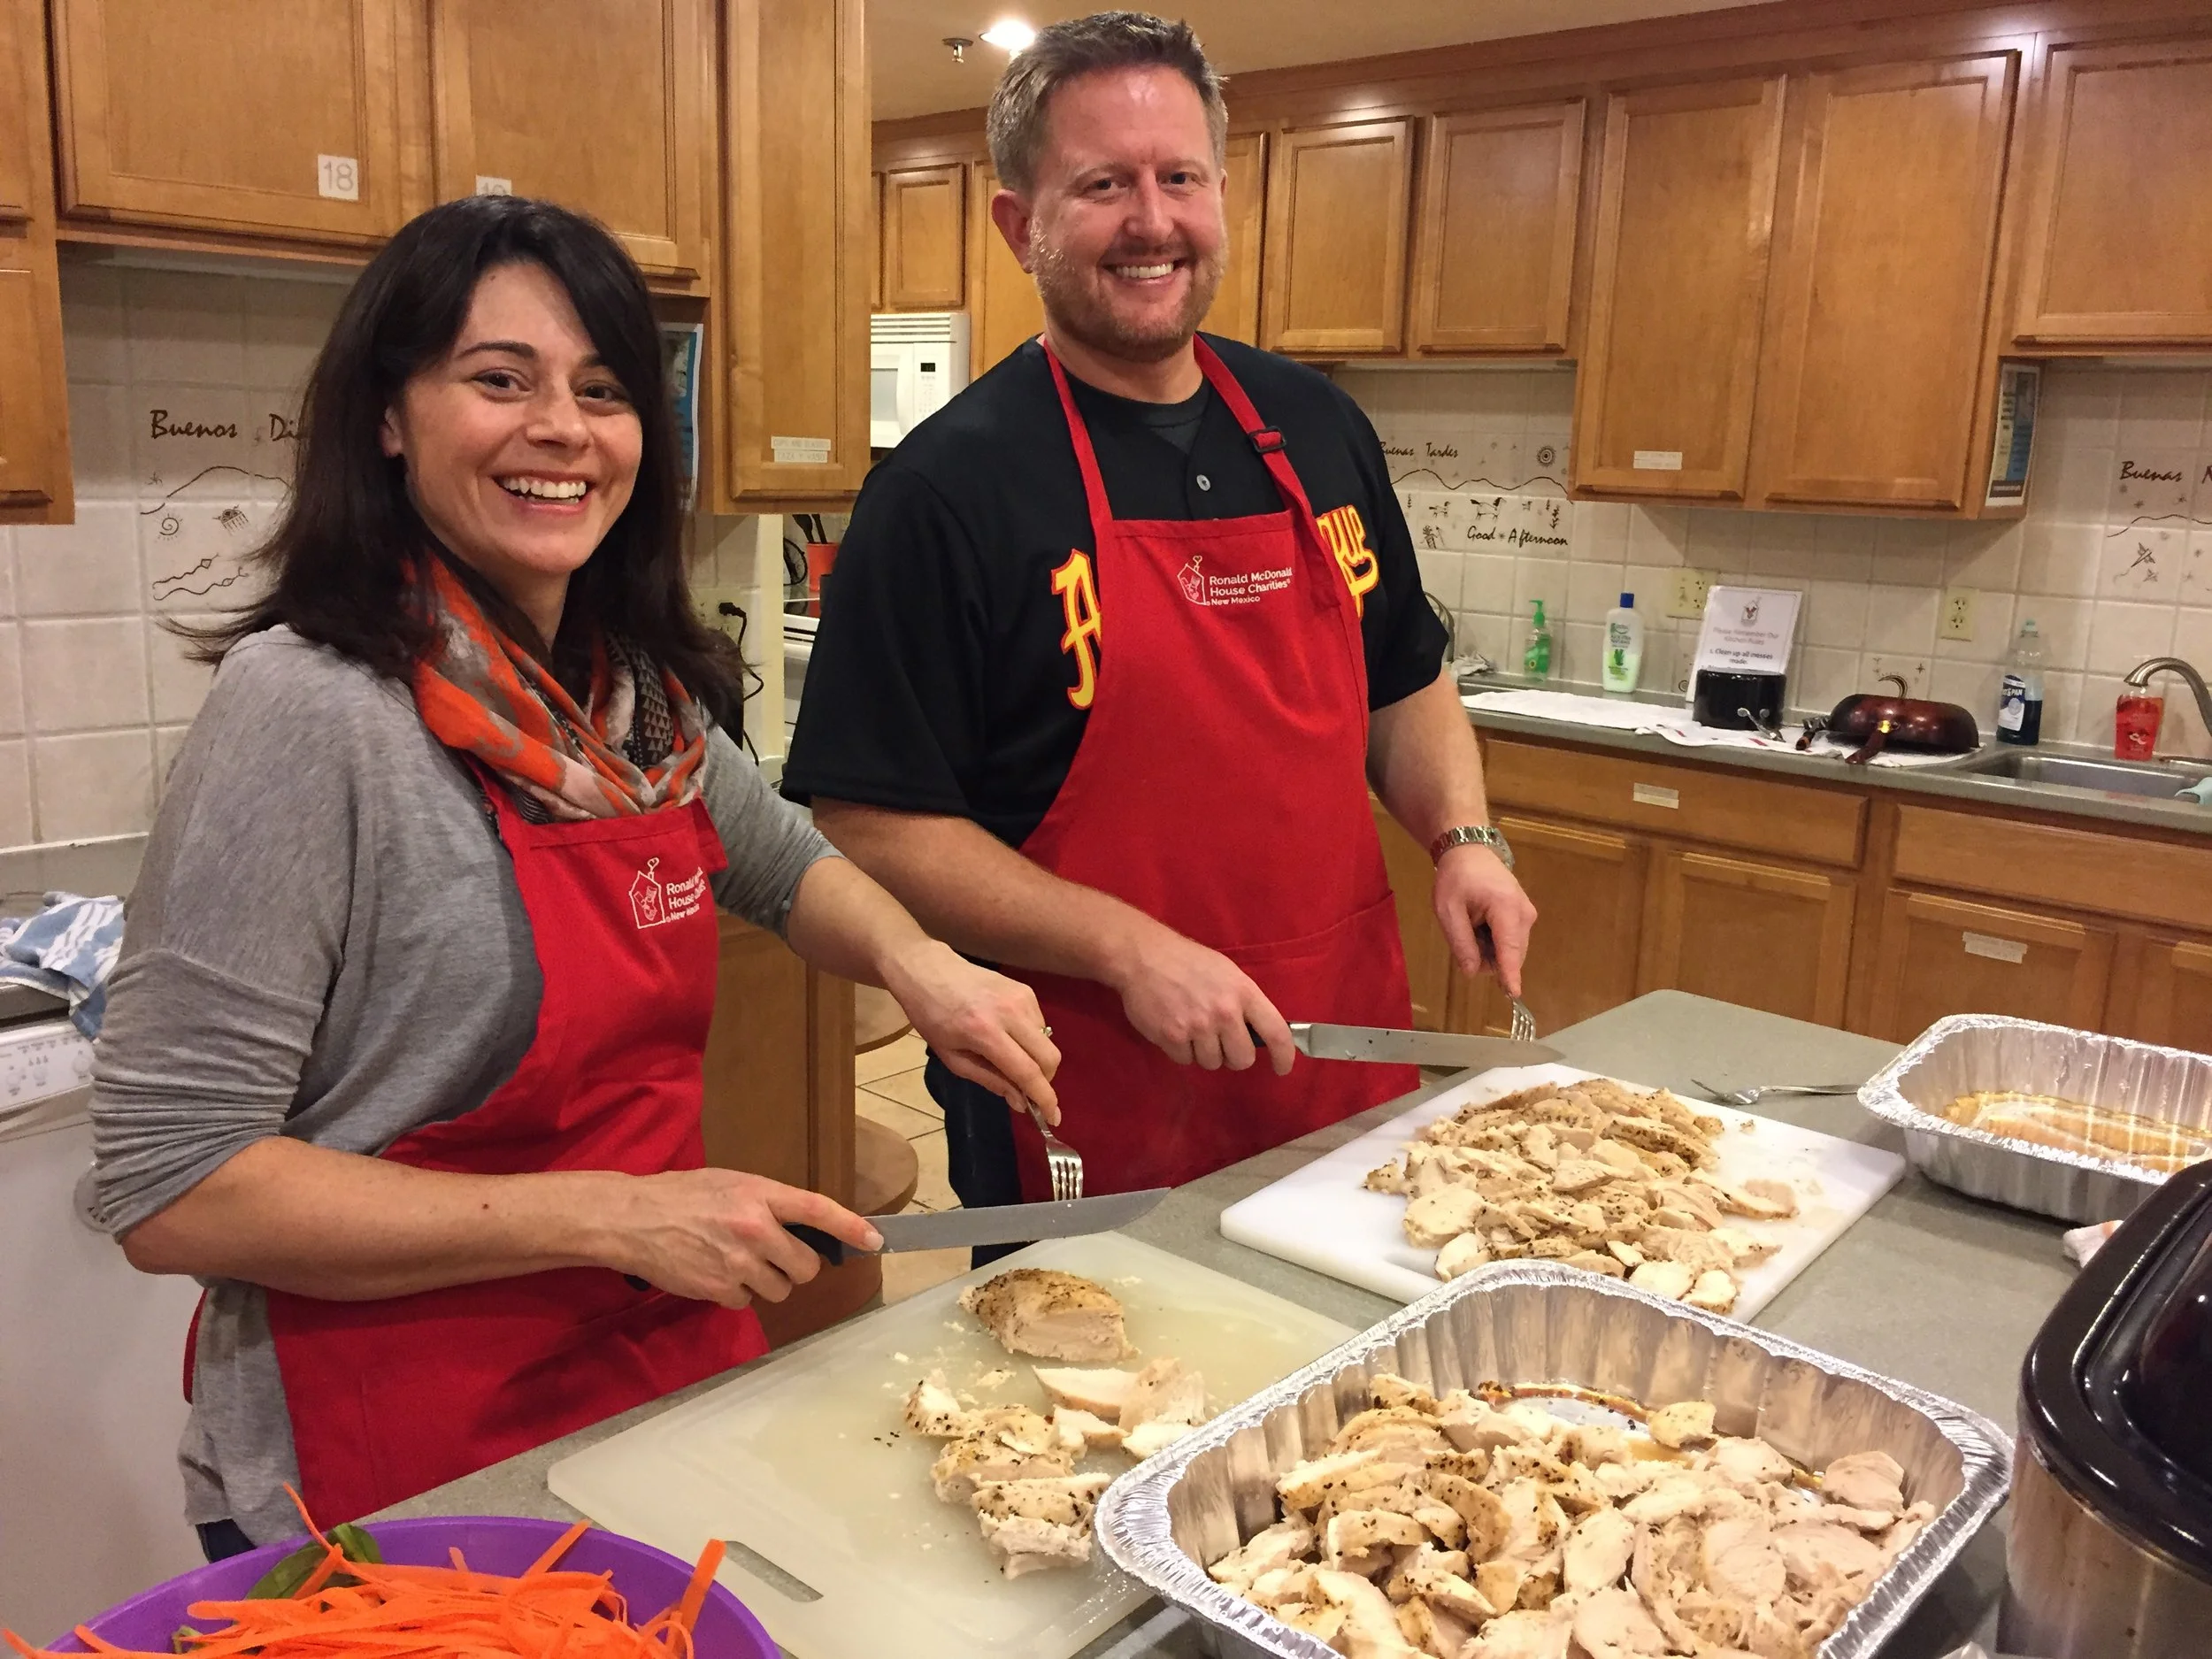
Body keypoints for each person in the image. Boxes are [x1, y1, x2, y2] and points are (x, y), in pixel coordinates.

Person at [88, 195, 1061, 1555]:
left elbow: (780, 859)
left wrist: (926, 964)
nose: (562, 428)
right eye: (501, 379)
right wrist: (618, 1212)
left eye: (603, 390)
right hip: (394, 1442)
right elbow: (172, 1183)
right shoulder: (309, 712)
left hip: (641, 1377)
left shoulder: (626, 696)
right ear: (389, 413)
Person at [783, 13, 1535, 1233]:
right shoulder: (944, 490)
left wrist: (1463, 834)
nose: (1152, 219)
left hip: (1334, 1049)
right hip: (1085, 1070)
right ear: (1018, 223)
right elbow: (872, 819)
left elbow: (1404, 679)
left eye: (1179, 177)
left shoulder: (1316, 427)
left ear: (1220, 197)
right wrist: (1129, 948)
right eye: (1103, 185)